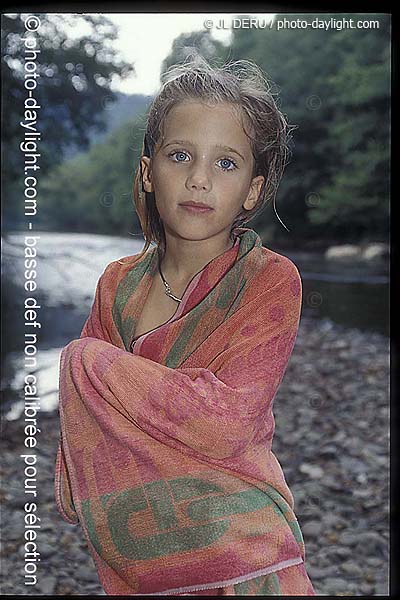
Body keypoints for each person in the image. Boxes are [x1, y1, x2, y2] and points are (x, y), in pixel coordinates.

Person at [55, 52, 316, 596]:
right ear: (150, 173)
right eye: (180, 156)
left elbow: (223, 423)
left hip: (244, 543)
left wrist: (90, 360)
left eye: (226, 163)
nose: (199, 179)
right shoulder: (117, 286)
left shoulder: (269, 281)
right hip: (143, 540)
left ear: (252, 189)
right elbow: (89, 424)